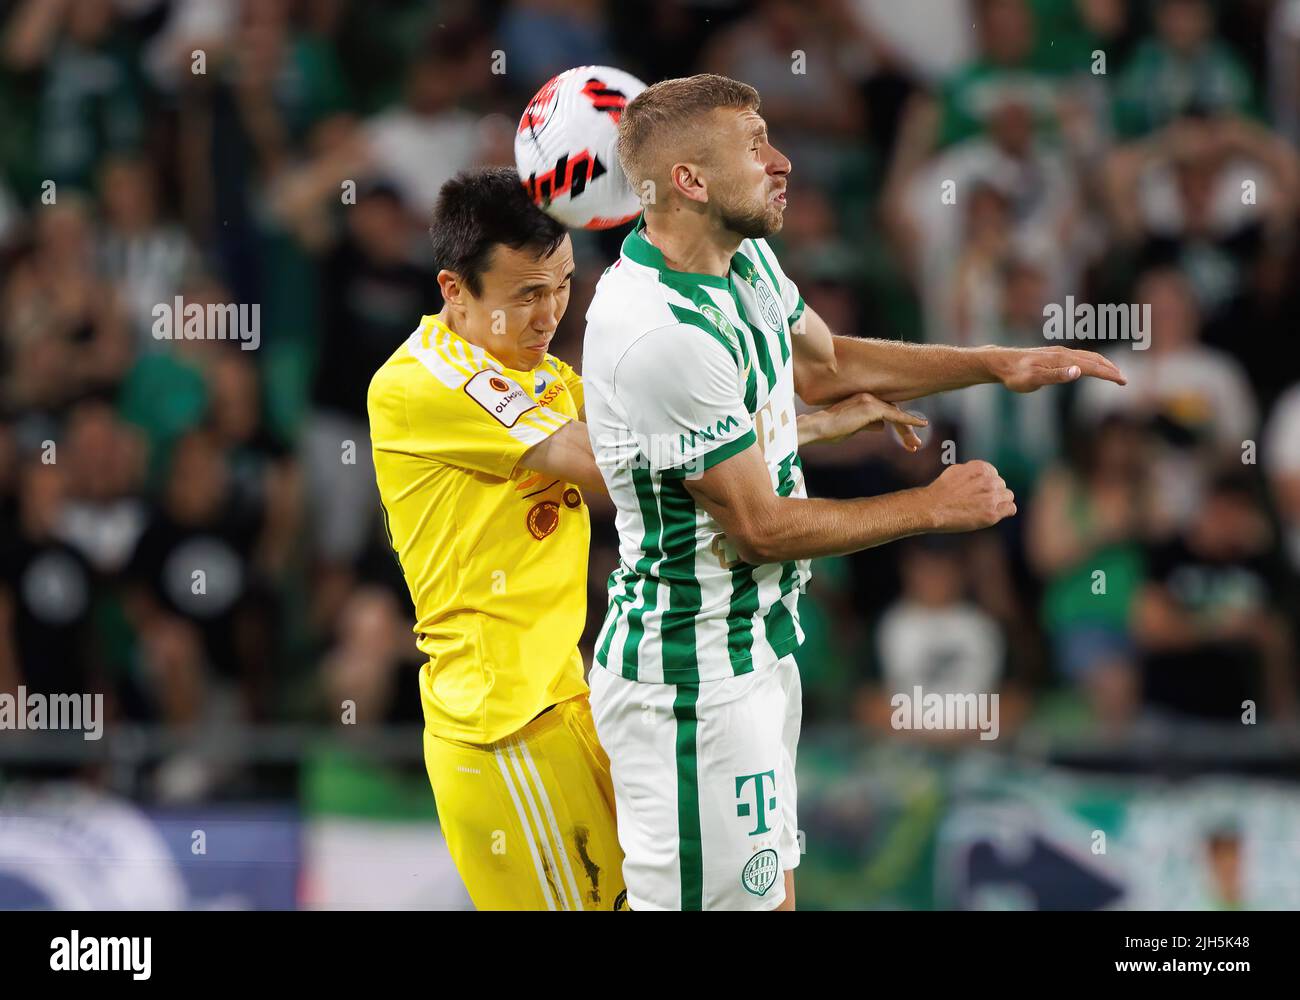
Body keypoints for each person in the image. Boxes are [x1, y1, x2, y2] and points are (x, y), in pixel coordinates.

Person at [581, 73, 1126, 911]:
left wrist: (994, 364)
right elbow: (759, 526)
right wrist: (930, 509)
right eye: (755, 146)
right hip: (691, 684)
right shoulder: (658, 334)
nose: (782, 161)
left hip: (756, 651)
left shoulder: (742, 257)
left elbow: (826, 364)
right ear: (688, 181)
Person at [366, 167, 913, 910]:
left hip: (569, 702)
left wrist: (806, 424)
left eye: (561, 284)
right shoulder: (422, 383)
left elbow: (676, 439)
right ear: (453, 291)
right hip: (502, 728)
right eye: (524, 294)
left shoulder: (542, 378)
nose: (549, 312)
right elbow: (616, 460)